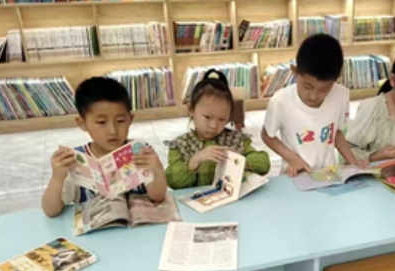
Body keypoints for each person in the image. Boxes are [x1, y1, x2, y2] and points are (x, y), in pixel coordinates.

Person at [42, 77, 167, 217]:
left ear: (130, 119)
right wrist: (57, 177)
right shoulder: (75, 160)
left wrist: (157, 170)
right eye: (101, 122)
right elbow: (51, 211)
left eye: (120, 120)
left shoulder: (139, 151)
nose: (113, 131)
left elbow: (157, 197)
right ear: (82, 123)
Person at [261, 34, 367, 176]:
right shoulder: (280, 101)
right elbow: (267, 135)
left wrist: (353, 161)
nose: (313, 96)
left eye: (324, 90)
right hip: (296, 175)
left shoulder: (340, 95)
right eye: (307, 86)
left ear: (335, 81)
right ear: (295, 72)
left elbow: (336, 133)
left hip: (327, 175)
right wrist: (293, 159)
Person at [165, 69, 270, 189]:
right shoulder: (180, 145)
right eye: (207, 117)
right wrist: (195, 160)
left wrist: (240, 160)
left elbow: (264, 164)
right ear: (191, 110)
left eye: (222, 119)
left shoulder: (236, 140)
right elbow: (172, 180)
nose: (214, 126)